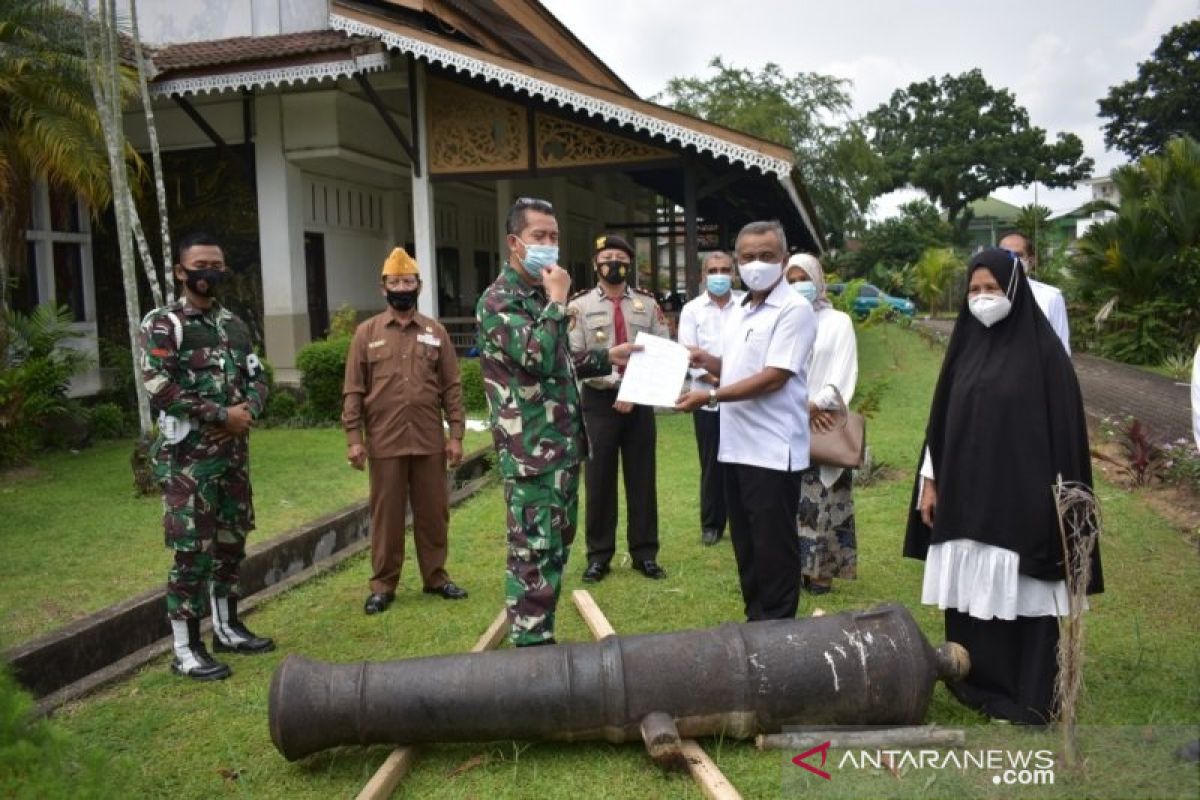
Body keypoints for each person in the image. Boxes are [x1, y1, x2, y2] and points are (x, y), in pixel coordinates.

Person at [904, 247, 1103, 725]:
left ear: (1014, 289)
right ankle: (976, 684)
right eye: (974, 289)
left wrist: (1056, 507)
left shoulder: (1046, 358)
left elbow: (1065, 440)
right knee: (971, 590)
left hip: (1021, 502)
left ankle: (1029, 696)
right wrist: (929, 484)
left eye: (992, 288)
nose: (982, 297)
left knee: (1025, 593)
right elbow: (941, 425)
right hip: (966, 496)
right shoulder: (964, 349)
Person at [476, 198, 640, 647]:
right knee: (533, 552)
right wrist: (558, 299)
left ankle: (540, 637)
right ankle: (532, 655)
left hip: (562, 449)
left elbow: (560, 360)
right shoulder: (499, 301)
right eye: (539, 237)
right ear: (515, 243)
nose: (550, 246)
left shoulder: (535, 298)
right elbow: (539, 354)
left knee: (555, 550)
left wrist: (609, 356)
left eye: (554, 237)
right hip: (531, 453)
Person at [140, 232, 273, 681]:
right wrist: (218, 414)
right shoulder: (165, 323)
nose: (210, 272)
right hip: (189, 463)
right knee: (191, 553)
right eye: (200, 265)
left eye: (216, 264)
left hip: (233, 457)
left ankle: (228, 627)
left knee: (230, 545)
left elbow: (258, 376)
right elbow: (157, 385)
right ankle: (185, 647)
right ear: (182, 272)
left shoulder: (233, 324)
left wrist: (247, 410)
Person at [676, 221, 817, 621]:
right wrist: (710, 363)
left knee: (774, 546)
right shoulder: (741, 309)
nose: (757, 264)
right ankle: (757, 621)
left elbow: (774, 377)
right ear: (738, 263)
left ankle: (779, 627)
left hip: (772, 450)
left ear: (784, 260)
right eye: (749, 257)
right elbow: (741, 369)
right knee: (747, 544)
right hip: (735, 447)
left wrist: (712, 395)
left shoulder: (794, 309)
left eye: (767, 256)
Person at [342, 247, 469, 615]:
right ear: (383, 288)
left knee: (433, 513)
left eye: (408, 281)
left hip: (429, 439)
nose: (402, 286)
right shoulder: (366, 334)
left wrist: (456, 434)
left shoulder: (436, 332)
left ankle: (436, 577)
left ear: (419, 286)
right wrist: (354, 439)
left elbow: (451, 387)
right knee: (387, 516)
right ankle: (383, 584)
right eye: (395, 281)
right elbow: (354, 389)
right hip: (385, 441)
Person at [568, 234, 670, 581]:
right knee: (599, 481)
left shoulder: (647, 303)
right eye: (607, 256)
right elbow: (576, 356)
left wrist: (634, 389)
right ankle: (599, 555)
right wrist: (616, 385)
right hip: (598, 402)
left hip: (639, 403)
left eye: (620, 256)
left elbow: (662, 350)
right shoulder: (579, 307)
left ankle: (645, 553)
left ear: (629, 263)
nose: (613, 262)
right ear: (596, 263)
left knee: (643, 479)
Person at [785, 253, 859, 595]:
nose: (797, 285)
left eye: (804, 278)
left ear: (818, 281)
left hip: (823, 420)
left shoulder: (838, 321)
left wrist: (815, 403)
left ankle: (822, 574)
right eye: (791, 279)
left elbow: (844, 371)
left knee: (824, 498)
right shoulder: (782, 319)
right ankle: (793, 567)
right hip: (784, 421)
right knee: (791, 499)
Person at [676, 251, 743, 545]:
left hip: (743, 396)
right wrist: (716, 379)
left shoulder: (747, 305)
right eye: (713, 270)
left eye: (725, 269)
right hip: (706, 398)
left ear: (734, 273)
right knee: (712, 461)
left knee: (743, 461)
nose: (719, 275)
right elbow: (687, 354)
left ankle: (743, 521)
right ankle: (712, 524)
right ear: (703, 276)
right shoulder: (692, 310)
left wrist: (733, 380)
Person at [997, 232, 1070, 355]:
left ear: (1030, 261)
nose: (1011, 259)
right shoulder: (986, 295)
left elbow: (1062, 347)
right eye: (1005, 254)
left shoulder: (1050, 297)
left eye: (1018, 255)